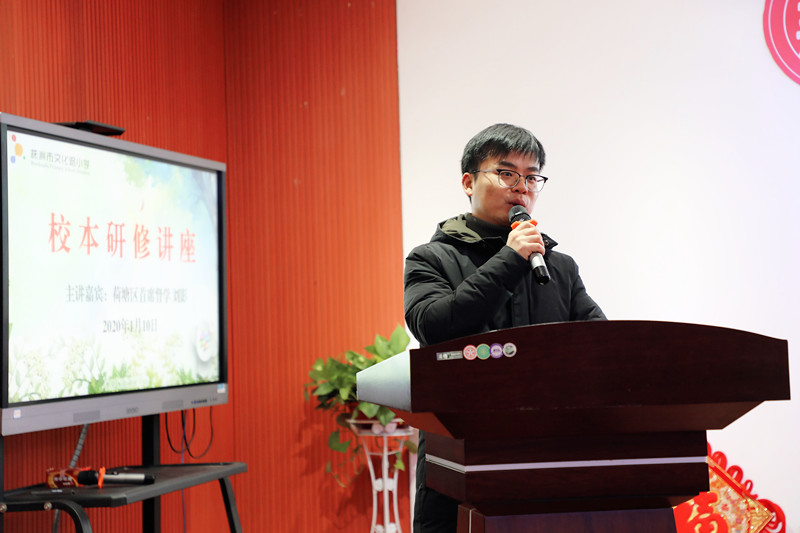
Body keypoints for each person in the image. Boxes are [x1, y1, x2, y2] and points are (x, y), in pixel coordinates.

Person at [403, 123, 606, 533]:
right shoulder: (430, 258)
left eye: (531, 177)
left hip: (546, 456)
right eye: (507, 173)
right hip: (460, 457)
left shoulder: (559, 267)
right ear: (468, 182)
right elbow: (434, 325)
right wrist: (510, 259)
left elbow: (602, 347)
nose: (521, 188)